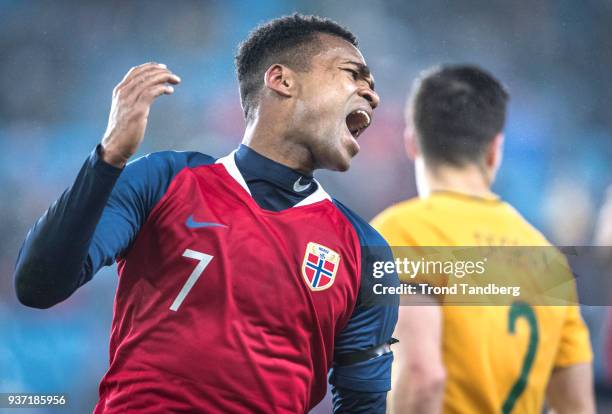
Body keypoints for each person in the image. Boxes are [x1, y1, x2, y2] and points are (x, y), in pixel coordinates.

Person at [14, 14, 398, 413]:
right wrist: (108, 158)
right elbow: (39, 287)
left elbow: (363, 404)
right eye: (353, 74)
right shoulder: (163, 181)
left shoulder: (366, 251)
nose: (372, 95)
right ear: (282, 80)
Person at [371, 65, 595, 413]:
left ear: (412, 143)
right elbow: (577, 406)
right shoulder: (551, 262)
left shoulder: (401, 232)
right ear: (495, 149)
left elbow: (422, 376)